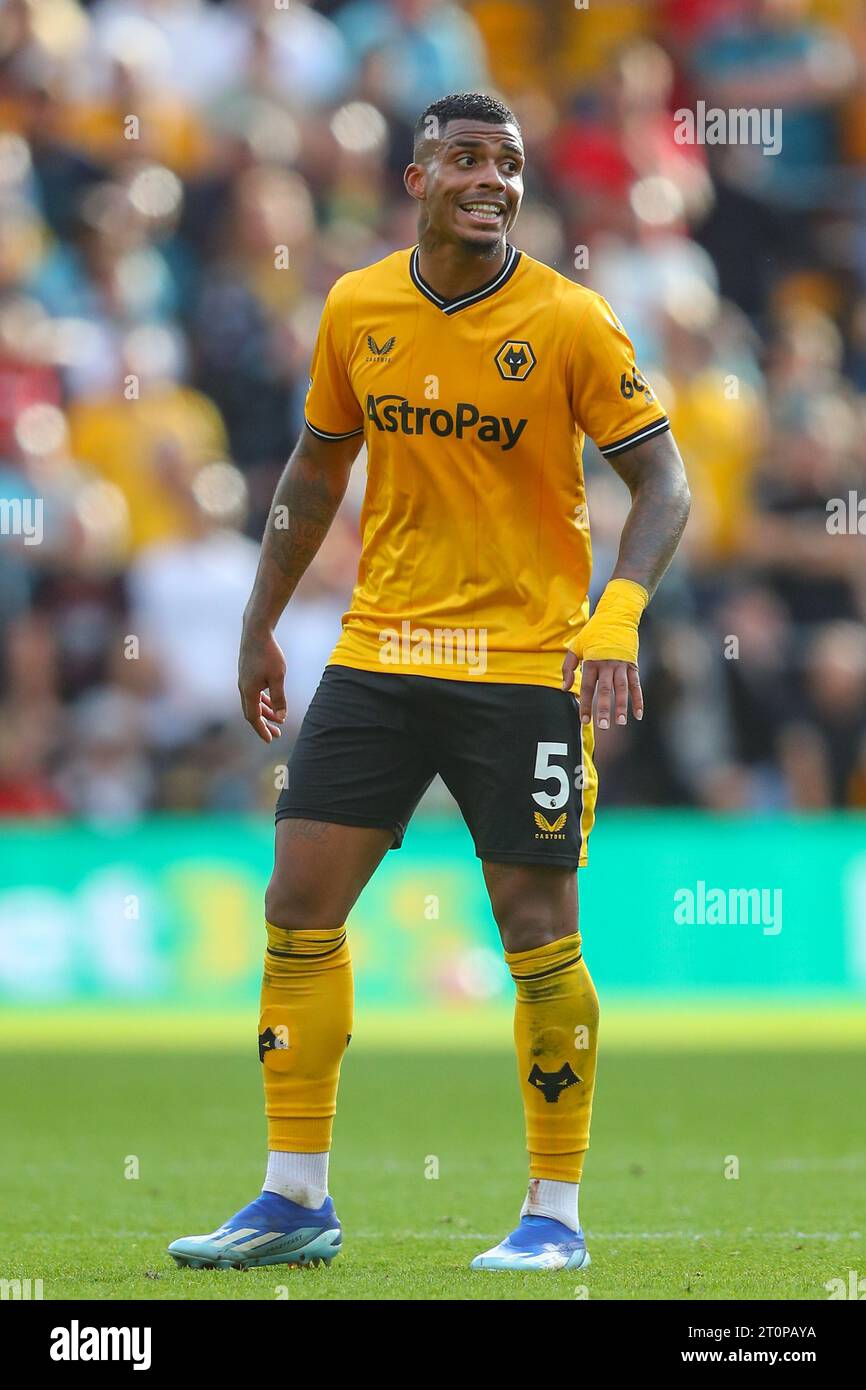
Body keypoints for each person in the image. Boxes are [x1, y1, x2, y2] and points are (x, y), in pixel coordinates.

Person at [168, 92, 690, 1274]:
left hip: (523, 663)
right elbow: (313, 468)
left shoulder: (569, 320)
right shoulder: (357, 306)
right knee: (297, 901)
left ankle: (552, 1215)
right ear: (416, 178)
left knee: (534, 928)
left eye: (506, 162)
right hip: (381, 649)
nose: (489, 179)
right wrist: (259, 622)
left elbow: (664, 484)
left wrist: (616, 616)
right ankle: (294, 1197)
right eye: (464, 158)